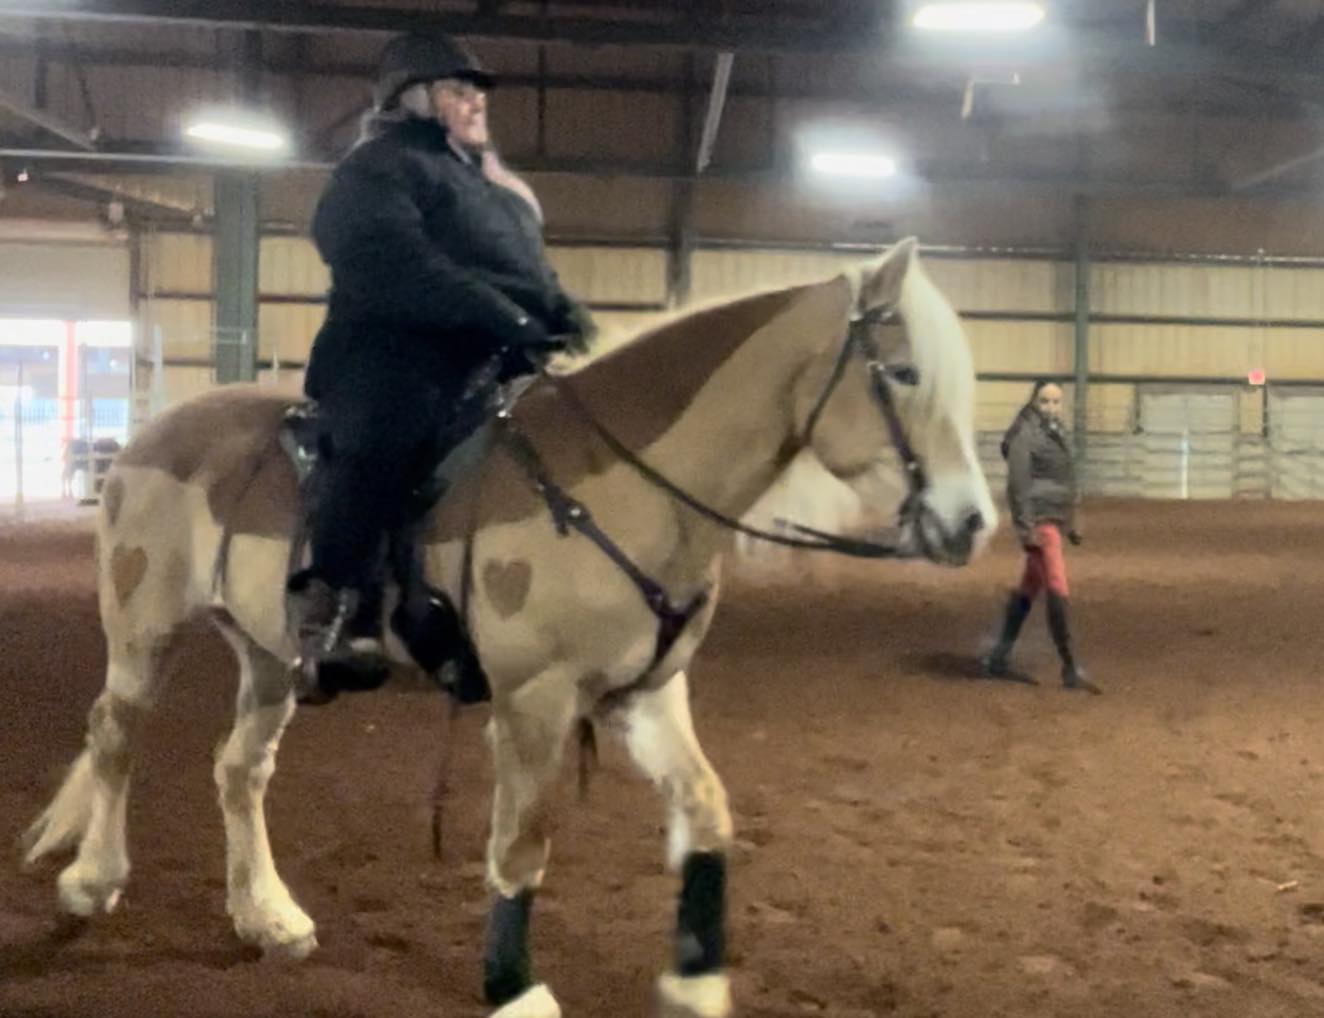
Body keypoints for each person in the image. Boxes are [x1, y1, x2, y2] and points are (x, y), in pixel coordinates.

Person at [289, 31, 594, 700]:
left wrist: (556, 308)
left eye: (477, 93)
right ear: (413, 99)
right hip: (389, 352)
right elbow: (393, 262)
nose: (475, 103)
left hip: (479, 356)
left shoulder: (481, 183)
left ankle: (470, 610)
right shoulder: (375, 168)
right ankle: (338, 608)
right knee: (384, 439)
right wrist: (498, 313)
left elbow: (516, 264)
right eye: (459, 90)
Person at [982, 380, 1099, 694]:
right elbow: (1018, 486)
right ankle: (1069, 666)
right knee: (1057, 586)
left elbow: (1066, 478)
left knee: (1030, 588)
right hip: (1040, 523)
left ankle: (998, 657)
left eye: (1056, 402)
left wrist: (1072, 519)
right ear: (1034, 401)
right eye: (1045, 401)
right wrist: (1026, 529)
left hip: (1053, 519)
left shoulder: (1055, 431)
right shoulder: (1026, 436)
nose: (1051, 407)